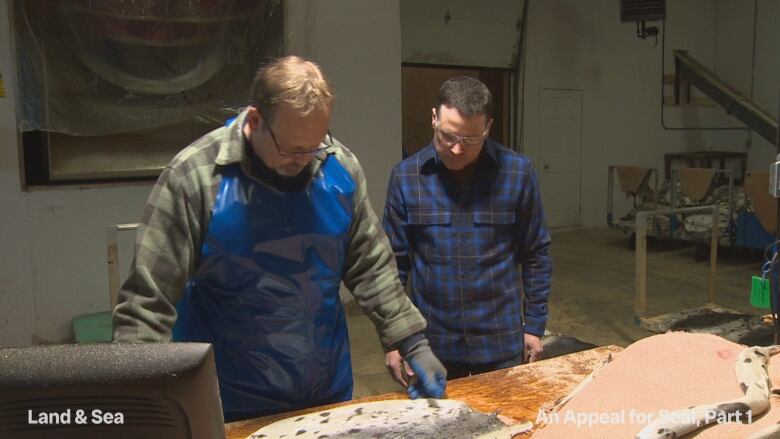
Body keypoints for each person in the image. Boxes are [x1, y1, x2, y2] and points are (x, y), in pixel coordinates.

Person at [113, 56, 446, 422]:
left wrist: (411, 340)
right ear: (255, 121)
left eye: (315, 145)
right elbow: (148, 302)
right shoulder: (194, 178)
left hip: (324, 387)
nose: (304, 159)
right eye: (292, 149)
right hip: (227, 396)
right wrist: (139, 402)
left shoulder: (338, 168)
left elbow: (371, 264)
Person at [382, 76, 552, 385]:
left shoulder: (517, 173)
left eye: (471, 139)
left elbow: (536, 253)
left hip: (500, 340)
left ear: (487, 127)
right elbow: (393, 266)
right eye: (448, 136)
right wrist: (395, 339)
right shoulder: (406, 178)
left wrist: (534, 325)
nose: (458, 149)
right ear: (434, 118)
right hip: (431, 345)